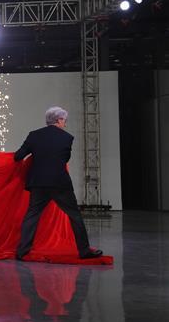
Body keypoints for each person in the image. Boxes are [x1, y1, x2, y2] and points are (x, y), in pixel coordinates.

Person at [14, 107, 103, 260]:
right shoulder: (67, 138)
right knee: (75, 215)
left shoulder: (34, 135)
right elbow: (65, 159)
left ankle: (22, 251)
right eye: (64, 121)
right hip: (59, 183)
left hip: (38, 183)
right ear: (59, 120)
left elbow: (18, 156)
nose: (65, 124)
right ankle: (84, 251)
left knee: (32, 215)